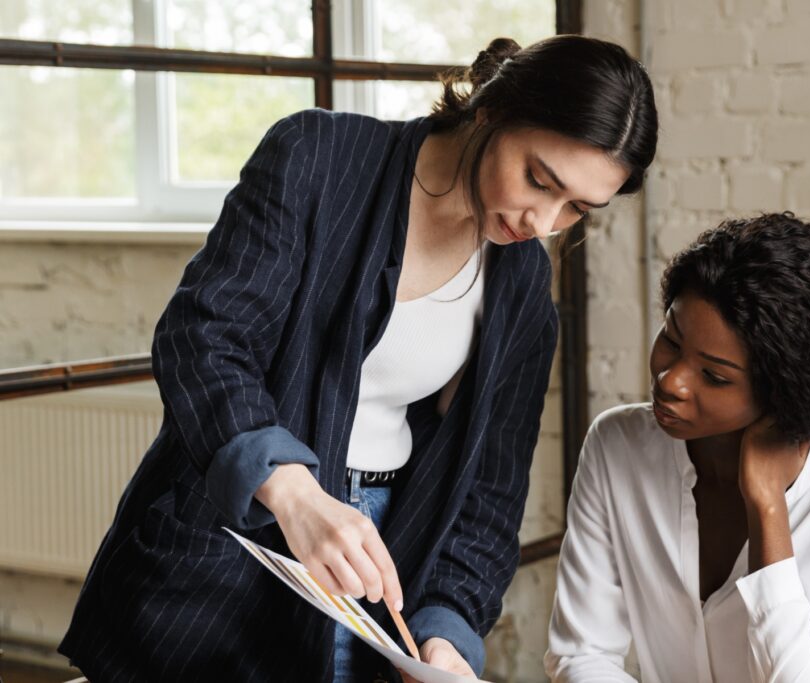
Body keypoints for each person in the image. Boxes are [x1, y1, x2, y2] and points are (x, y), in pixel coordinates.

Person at [58, 35, 657, 682]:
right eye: (540, 179)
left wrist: (450, 631)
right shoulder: (317, 160)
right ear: (491, 109)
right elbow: (203, 337)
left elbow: (491, 494)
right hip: (237, 524)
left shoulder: (522, 300)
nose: (543, 221)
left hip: (378, 556)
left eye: (577, 209)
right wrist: (294, 493)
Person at [545, 213, 810, 682]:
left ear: (784, 391)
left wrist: (767, 507)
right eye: (670, 339)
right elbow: (582, 654)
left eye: (715, 376)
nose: (671, 381)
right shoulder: (617, 446)